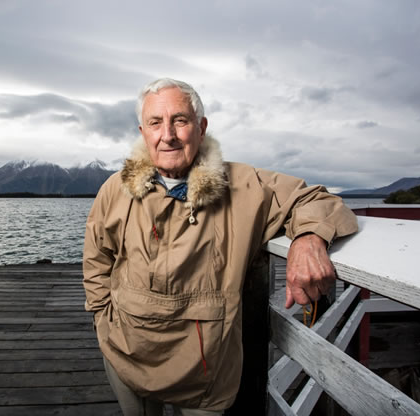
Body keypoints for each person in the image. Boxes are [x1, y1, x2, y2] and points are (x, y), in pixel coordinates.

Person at [83, 78, 358, 415]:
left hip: (205, 367)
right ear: (143, 131)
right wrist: (102, 318)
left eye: (180, 120)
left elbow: (318, 199)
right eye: (155, 123)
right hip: (125, 349)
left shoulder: (243, 185)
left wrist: (309, 238)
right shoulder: (115, 188)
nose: (167, 134)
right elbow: (97, 257)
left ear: (201, 127)